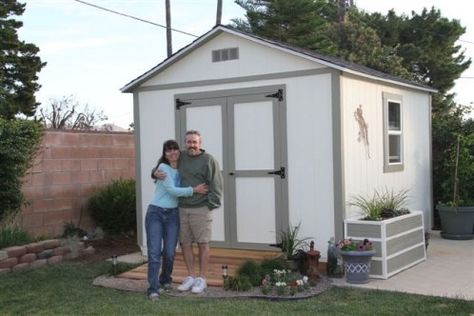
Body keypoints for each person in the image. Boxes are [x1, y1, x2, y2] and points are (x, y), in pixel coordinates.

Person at [153, 130, 223, 294]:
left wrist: (209, 206)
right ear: (185, 143)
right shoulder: (181, 156)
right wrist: (154, 172)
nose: (191, 145)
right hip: (182, 209)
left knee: (203, 243)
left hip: (201, 209)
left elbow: (217, 185)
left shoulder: (208, 160)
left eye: (194, 142)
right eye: (189, 142)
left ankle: (202, 278)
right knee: (185, 243)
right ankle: (191, 276)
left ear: (200, 143)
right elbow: (163, 164)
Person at [146, 139, 208, 301]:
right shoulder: (162, 168)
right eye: (168, 150)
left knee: (169, 252)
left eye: (175, 149)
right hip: (156, 213)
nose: (172, 152)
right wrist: (194, 190)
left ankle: (165, 279)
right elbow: (173, 190)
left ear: (179, 152)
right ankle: (153, 288)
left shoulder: (182, 166)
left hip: (173, 214)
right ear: (165, 154)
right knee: (154, 252)